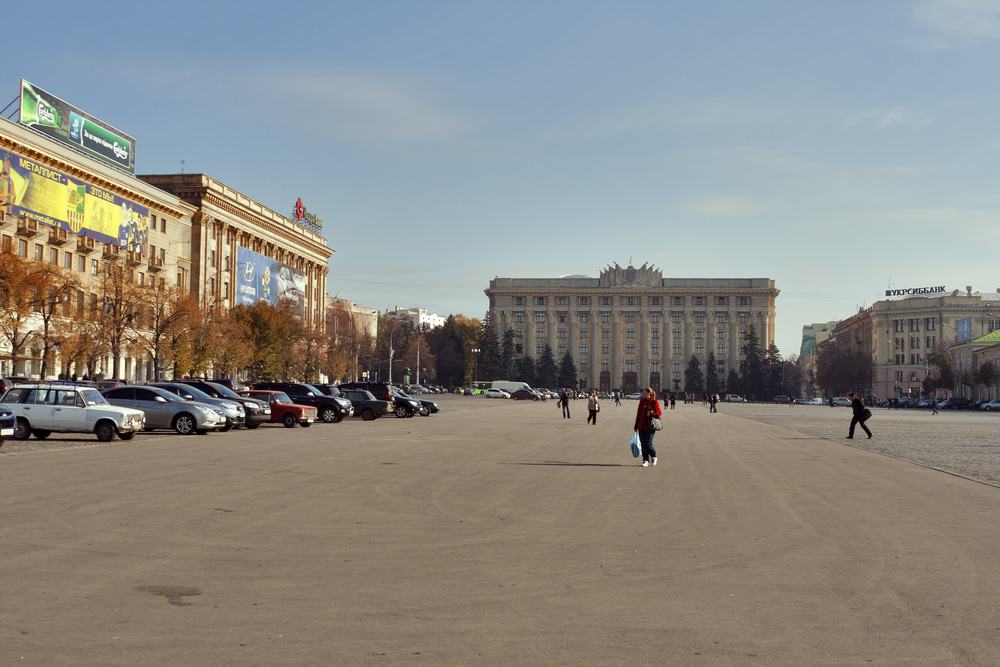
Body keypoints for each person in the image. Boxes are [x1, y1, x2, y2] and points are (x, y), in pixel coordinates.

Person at [634, 387, 663, 467]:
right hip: (641, 426)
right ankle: (645, 460)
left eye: (644, 392)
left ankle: (654, 456)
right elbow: (638, 414)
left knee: (648, 443)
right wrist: (636, 425)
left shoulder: (654, 402)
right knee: (643, 444)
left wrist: (652, 413)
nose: (642, 394)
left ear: (648, 393)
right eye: (642, 392)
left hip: (650, 426)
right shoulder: (642, 402)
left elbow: (659, 413)